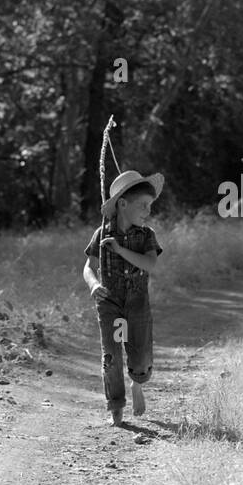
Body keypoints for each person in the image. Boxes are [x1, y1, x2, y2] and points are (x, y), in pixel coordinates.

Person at [83, 170, 164, 426]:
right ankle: (116, 406)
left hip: (137, 302)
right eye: (143, 205)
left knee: (140, 355)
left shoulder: (146, 235)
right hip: (109, 303)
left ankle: (137, 383)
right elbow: (88, 267)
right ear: (122, 204)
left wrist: (119, 249)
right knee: (111, 355)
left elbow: (150, 264)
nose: (147, 211)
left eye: (150, 206)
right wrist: (94, 284)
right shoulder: (101, 233)